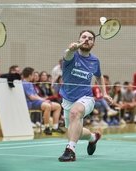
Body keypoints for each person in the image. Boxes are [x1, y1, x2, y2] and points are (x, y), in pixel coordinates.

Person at [58, 30, 113, 162]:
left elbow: (99, 77)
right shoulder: (72, 56)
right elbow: (67, 53)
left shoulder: (94, 60)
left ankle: (70, 150)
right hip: (67, 98)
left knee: (75, 112)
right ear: (79, 39)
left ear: (93, 43)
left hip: (86, 98)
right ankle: (93, 137)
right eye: (84, 37)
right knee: (73, 131)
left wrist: (104, 93)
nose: (87, 39)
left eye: (90, 38)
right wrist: (71, 48)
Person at [22, 67, 64, 135]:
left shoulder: (30, 83)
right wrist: (43, 101)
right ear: (29, 75)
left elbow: (35, 95)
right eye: (33, 74)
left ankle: (55, 127)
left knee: (58, 106)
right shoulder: (24, 83)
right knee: (47, 106)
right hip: (30, 103)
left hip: (37, 102)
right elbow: (31, 97)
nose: (34, 76)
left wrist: (44, 99)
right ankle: (46, 127)